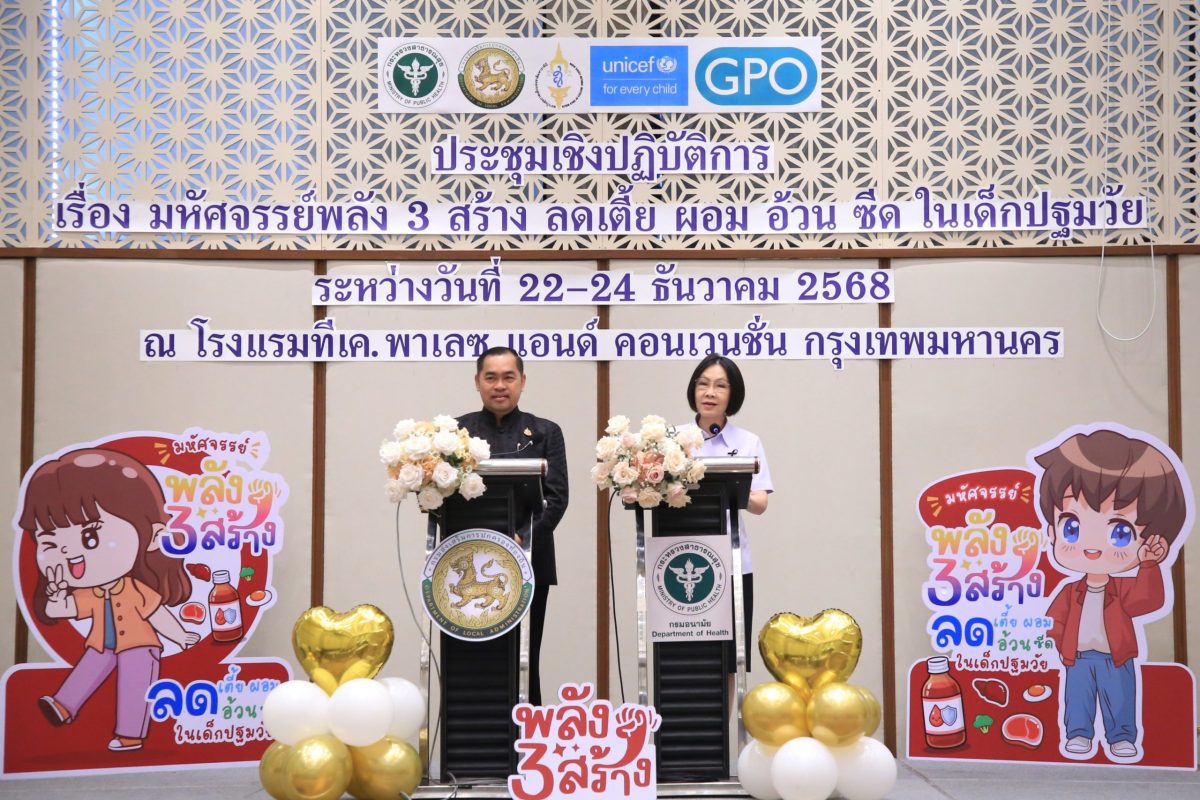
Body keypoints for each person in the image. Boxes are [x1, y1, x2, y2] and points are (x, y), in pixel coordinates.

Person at [21, 448, 200, 752]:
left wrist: (180, 635)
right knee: (87, 668)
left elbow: (157, 614)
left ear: (152, 536)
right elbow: (61, 608)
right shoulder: (88, 593)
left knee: (135, 685)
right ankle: (63, 705)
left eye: (89, 537)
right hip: (101, 644)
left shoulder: (134, 588)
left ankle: (130, 734)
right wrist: (56, 595)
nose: (69, 552)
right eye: (51, 542)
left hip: (139, 646)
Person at [1035, 428, 1188, 762]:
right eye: (1071, 527)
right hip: (1077, 657)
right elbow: (1054, 619)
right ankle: (1078, 734)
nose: (1091, 547)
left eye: (1120, 532)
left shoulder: (1122, 589)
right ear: (1052, 531)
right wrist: (1059, 643)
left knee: (1119, 697)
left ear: (1151, 539)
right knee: (1077, 697)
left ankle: (1121, 737)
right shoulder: (1070, 590)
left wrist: (1148, 565)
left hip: (1115, 657)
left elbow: (1148, 601)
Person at [458, 346, 568, 705]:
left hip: (529, 561)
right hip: (467, 566)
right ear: (477, 382)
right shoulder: (457, 433)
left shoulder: (545, 432)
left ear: (522, 381)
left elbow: (556, 498)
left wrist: (522, 540)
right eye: (491, 377)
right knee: (470, 661)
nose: (500, 385)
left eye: (509, 377)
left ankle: (527, 735)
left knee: (524, 657)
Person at [686, 354, 772, 669]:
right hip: (680, 554)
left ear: (732, 394)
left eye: (720, 386)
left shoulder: (748, 441)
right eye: (703, 384)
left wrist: (728, 487)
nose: (710, 392)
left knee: (730, 655)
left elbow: (760, 503)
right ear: (693, 389)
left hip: (732, 562)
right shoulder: (671, 439)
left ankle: (731, 704)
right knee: (687, 651)